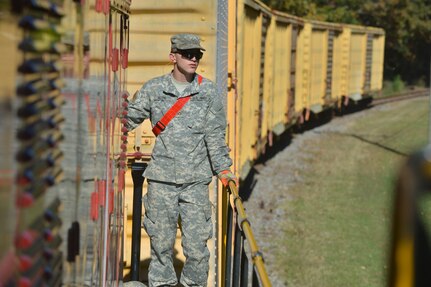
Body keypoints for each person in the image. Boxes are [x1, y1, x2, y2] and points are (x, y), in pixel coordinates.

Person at [125, 33, 238, 287]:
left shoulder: (207, 91)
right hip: (161, 181)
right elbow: (128, 121)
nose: (193, 59)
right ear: (172, 57)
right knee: (160, 245)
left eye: (197, 54)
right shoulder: (154, 89)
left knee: (197, 248)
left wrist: (224, 170)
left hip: (195, 182)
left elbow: (215, 136)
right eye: (187, 54)